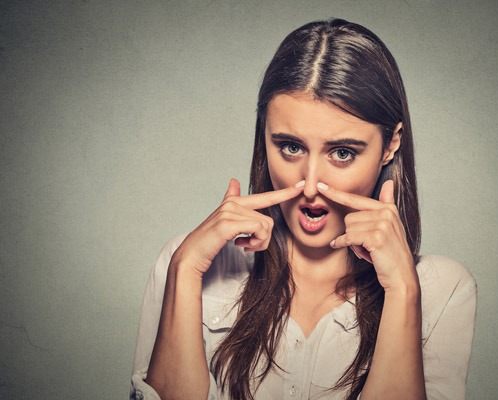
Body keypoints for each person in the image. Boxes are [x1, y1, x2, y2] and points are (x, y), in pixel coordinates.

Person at [130, 18, 477, 400]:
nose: (310, 186)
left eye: (342, 153)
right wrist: (183, 270)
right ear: (264, 134)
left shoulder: (442, 289)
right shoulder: (190, 263)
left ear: (391, 145)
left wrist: (402, 291)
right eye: (291, 147)